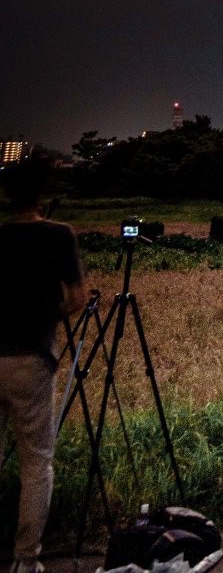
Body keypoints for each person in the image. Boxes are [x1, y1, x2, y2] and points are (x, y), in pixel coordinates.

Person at [0, 154, 90, 573]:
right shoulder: (59, 234)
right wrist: (50, 311)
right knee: (37, 461)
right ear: (42, 193)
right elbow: (77, 299)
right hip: (31, 356)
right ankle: (25, 560)